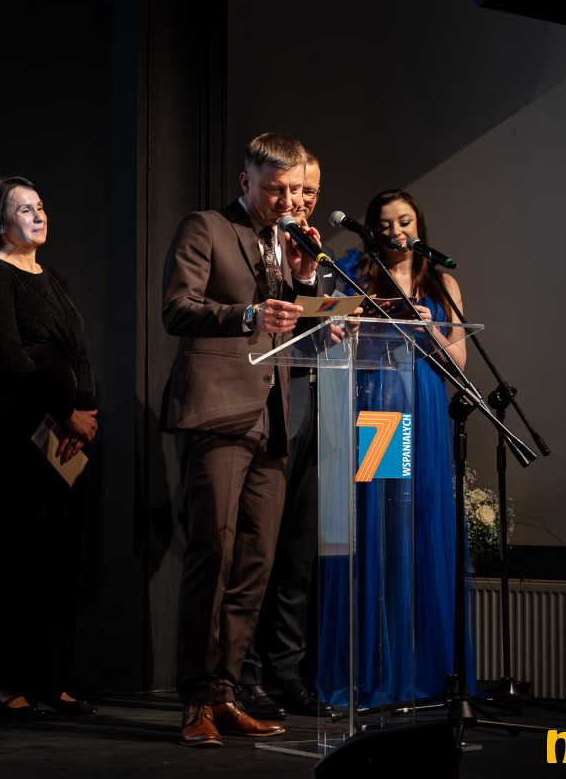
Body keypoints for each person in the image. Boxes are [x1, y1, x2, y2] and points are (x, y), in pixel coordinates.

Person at [161, 133, 323, 747]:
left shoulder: (285, 245)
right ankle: (195, 701)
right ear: (245, 181)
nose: (289, 201)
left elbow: (289, 329)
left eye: (297, 190)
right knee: (214, 554)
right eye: (276, 189)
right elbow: (177, 309)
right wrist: (249, 315)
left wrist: (305, 285)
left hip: (272, 417)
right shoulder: (205, 227)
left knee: (255, 563)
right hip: (217, 412)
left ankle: (227, 693)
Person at [323, 188, 476, 708]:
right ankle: (378, 669)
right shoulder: (355, 275)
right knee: (383, 529)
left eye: (405, 222)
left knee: (419, 526)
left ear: (419, 225)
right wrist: (345, 325)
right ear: (371, 229)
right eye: (385, 224)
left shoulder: (441, 282)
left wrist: (432, 330)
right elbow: (330, 336)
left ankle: (422, 668)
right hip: (380, 410)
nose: (396, 232)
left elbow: (459, 363)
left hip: (425, 408)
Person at [0, 176, 99, 721]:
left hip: (67, 429)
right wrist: (64, 411)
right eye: (24, 209)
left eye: (40, 206)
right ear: (0, 223)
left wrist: (86, 409)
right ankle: (6, 683)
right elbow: (11, 354)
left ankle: (52, 679)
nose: (38, 215)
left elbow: (78, 349)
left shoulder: (53, 277)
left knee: (59, 550)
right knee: (22, 546)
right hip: (25, 420)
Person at [237, 151, 335, 719]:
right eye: (292, 190)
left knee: (297, 551)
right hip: (261, 407)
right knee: (255, 551)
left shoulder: (311, 252)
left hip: (312, 405)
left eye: (309, 192)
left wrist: (332, 319)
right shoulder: (249, 240)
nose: (299, 201)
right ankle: (243, 674)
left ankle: (286, 672)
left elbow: (312, 329)